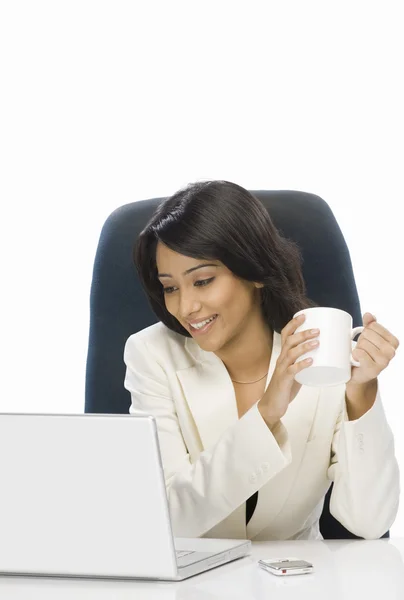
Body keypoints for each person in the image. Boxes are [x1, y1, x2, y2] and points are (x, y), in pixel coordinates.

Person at [124, 180, 400, 541]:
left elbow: (369, 523)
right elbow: (169, 519)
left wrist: (361, 394)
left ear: (253, 271)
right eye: (171, 287)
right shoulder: (152, 354)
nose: (185, 307)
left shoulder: (321, 352)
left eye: (203, 281)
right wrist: (267, 412)